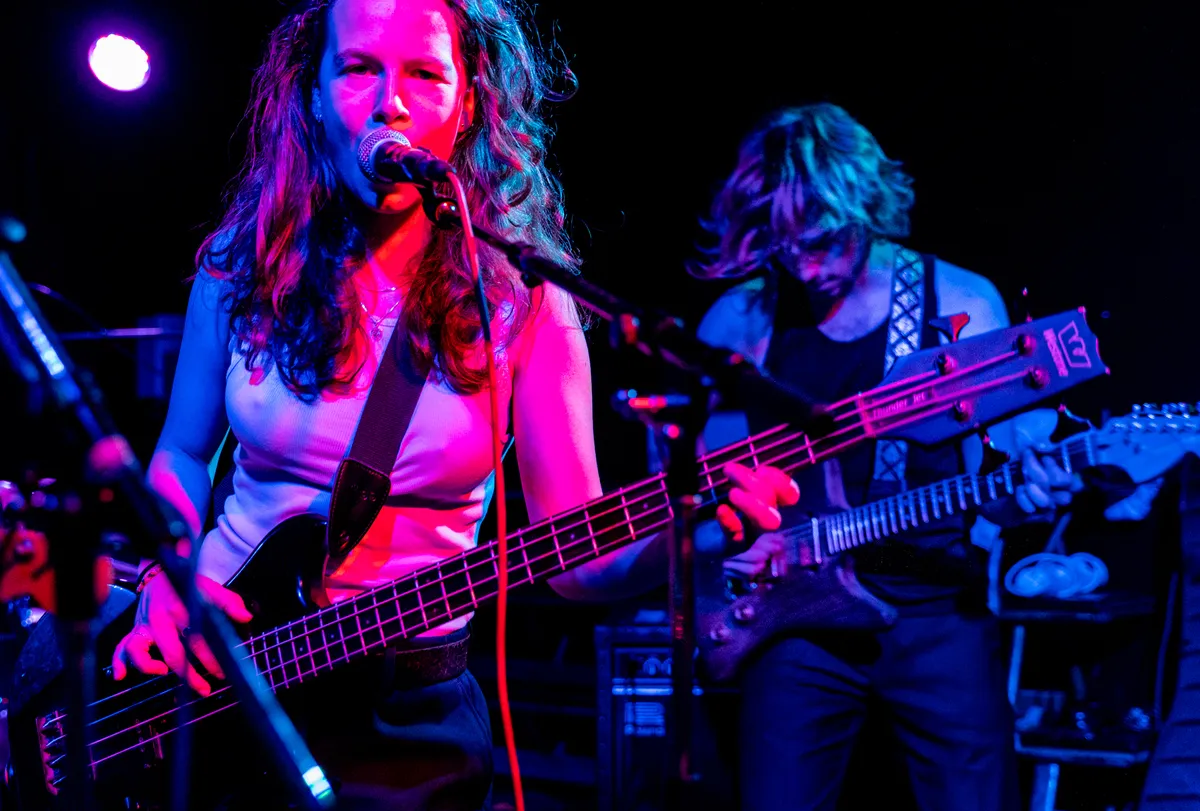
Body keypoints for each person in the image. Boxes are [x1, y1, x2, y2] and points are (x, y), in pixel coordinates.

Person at [104, 2, 795, 809]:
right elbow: (184, 452)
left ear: (468, 104)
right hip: (220, 674)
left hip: (406, 714)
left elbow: (578, 559)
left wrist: (688, 535)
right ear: (314, 93)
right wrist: (165, 577)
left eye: (425, 75)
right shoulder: (246, 261)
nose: (389, 103)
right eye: (358, 68)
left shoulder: (525, 303)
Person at [690, 102, 1154, 811]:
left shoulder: (959, 302)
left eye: (822, 241)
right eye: (785, 247)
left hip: (937, 607)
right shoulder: (740, 319)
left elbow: (995, 492)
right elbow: (702, 497)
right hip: (795, 618)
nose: (806, 268)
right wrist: (731, 557)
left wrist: (1029, 493)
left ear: (865, 207)